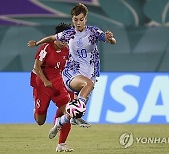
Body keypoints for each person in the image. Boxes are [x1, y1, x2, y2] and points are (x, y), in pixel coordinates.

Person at [28, 3, 116, 140]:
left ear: (86, 18)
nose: (78, 22)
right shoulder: (69, 34)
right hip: (72, 73)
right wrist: (37, 43)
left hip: (90, 75)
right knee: (87, 86)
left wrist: (111, 39)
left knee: (75, 112)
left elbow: (110, 40)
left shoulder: (93, 32)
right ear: (72, 19)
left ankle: (59, 123)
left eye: (81, 19)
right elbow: (52, 38)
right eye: (76, 19)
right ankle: (74, 111)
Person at [30, 23, 85, 152]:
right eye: (62, 39)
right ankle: (37, 109)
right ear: (56, 37)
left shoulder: (68, 50)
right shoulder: (46, 48)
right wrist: (45, 81)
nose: (64, 42)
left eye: (66, 40)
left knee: (69, 111)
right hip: (41, 84)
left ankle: (61, 144)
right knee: (40, 121)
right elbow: (36, 67)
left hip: (57, 83)